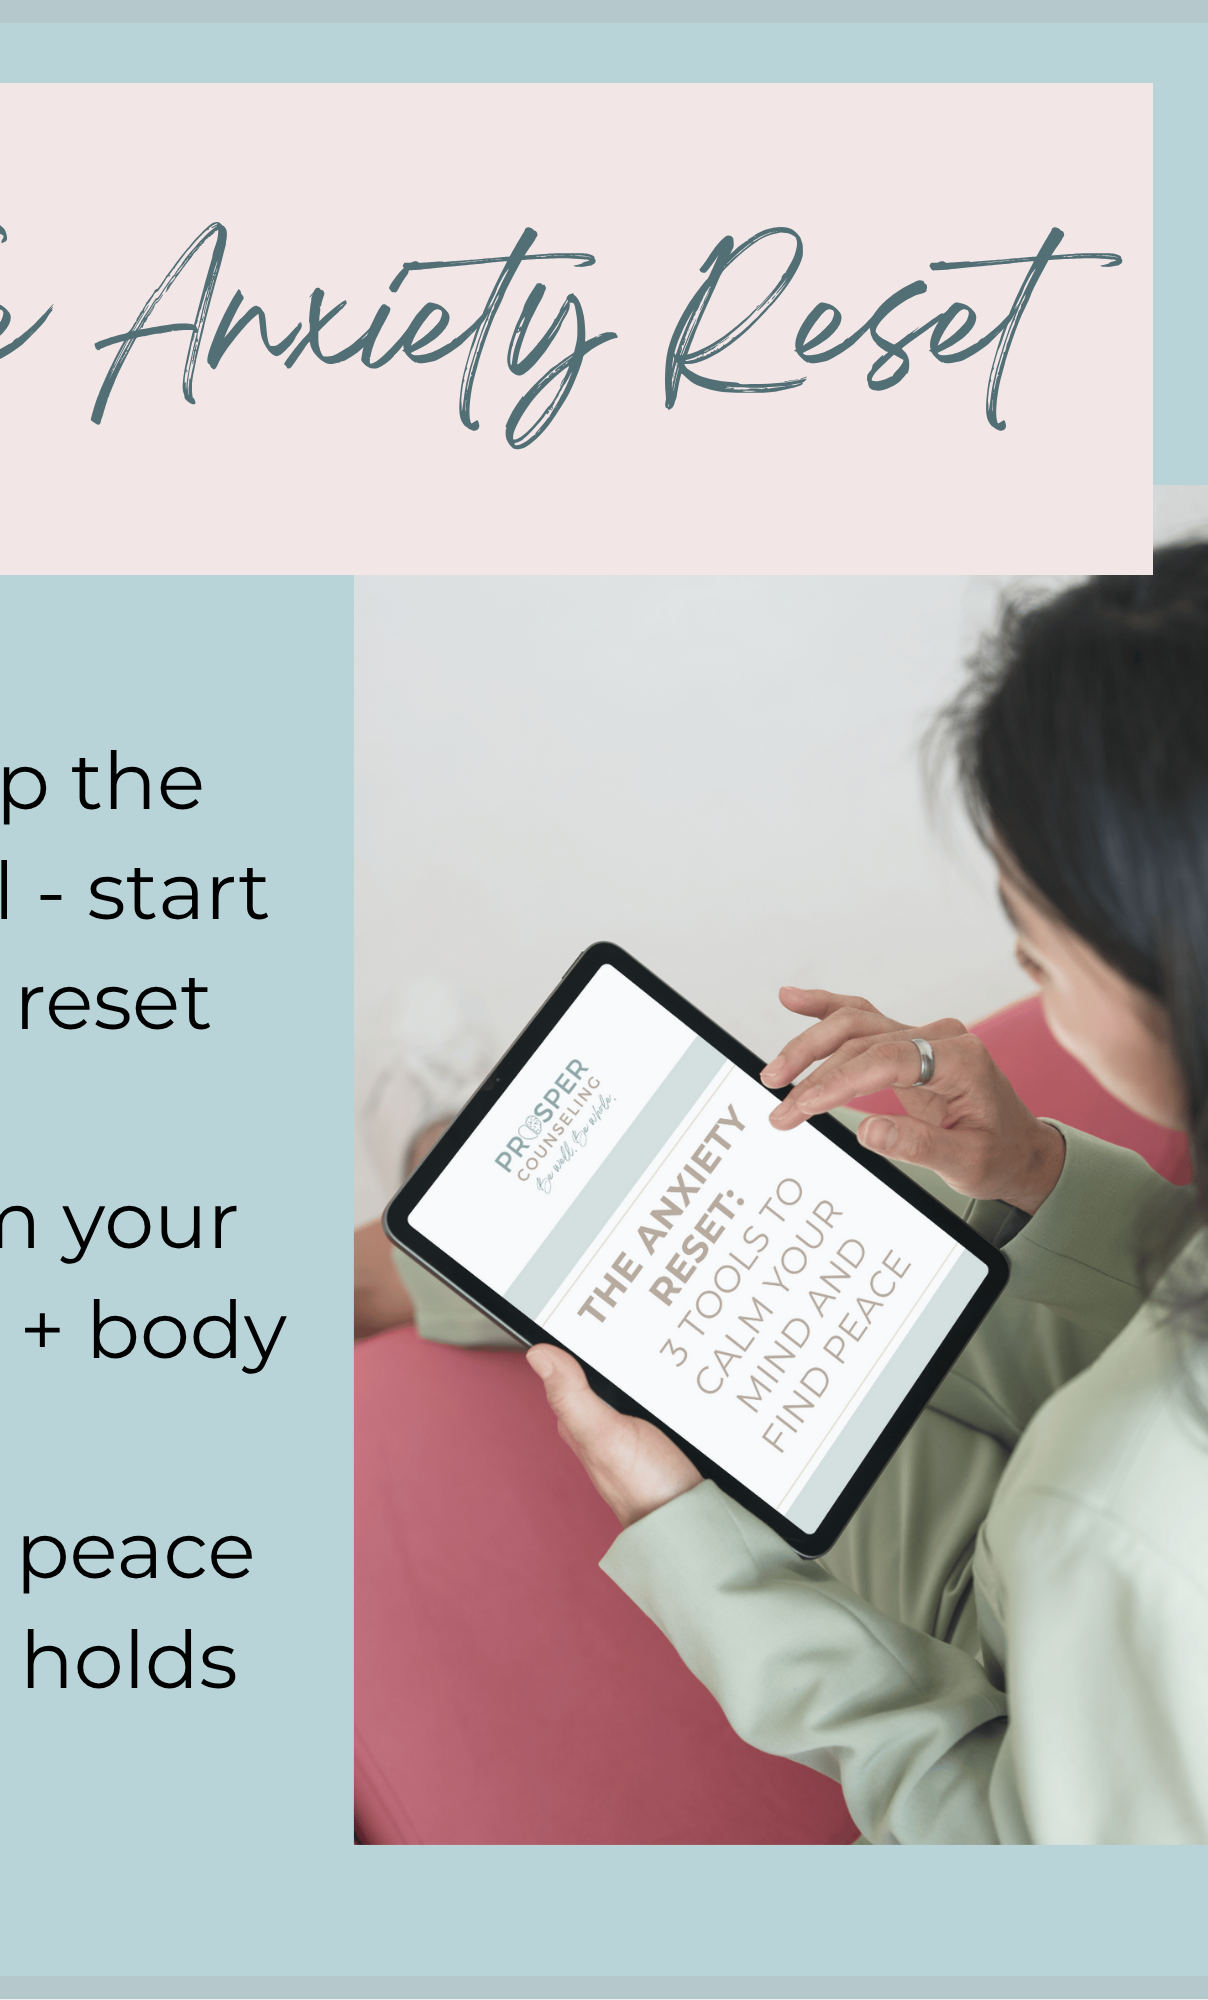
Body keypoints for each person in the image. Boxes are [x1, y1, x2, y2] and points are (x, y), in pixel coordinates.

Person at [360, 547, 1208, 1842]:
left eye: (1034, 930)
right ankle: (437, 1188)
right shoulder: (1116, 1476)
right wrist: (1031, 1169)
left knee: (685, 1262)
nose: (1023, 958)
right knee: (819, 1197)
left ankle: (424, 1182)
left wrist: (689, 1537)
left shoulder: (1102, 1511)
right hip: (1082, 1475)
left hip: (1033, 1642)